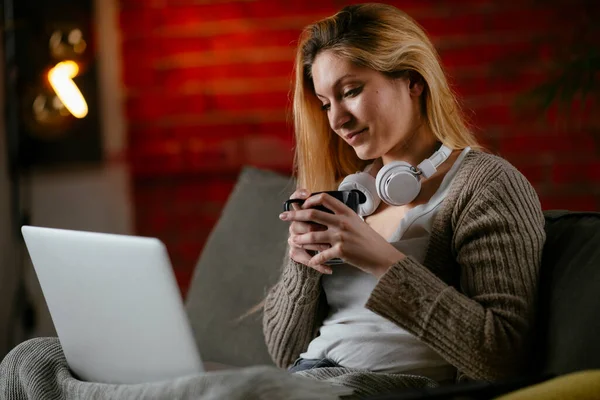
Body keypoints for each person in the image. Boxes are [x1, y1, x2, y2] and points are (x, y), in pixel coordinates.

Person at [262, 2, 546, 397]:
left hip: (386, 388)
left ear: (413, 80)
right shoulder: (348, 194)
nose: (335, 120)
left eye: (351, 92)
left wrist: (381, 259)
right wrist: (301, 266)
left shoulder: (486, 184)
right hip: (305, 379)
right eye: (326, 104)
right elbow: (284, 352)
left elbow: (501, 355)